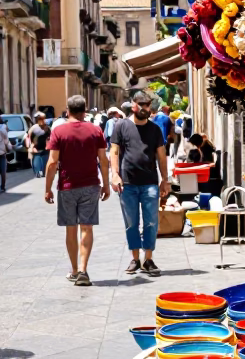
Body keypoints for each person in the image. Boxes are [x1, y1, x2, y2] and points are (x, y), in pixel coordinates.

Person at [45, 94, 110, 287]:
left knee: (70, 228)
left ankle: (74, 270)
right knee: (87, 227)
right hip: (90, 185)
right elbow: (103, 160)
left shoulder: (59, 131)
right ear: (85, 110)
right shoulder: (95, 130)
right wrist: (106, 184)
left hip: (67, 186)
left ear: (67, 111)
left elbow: (52, 162)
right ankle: (83, 269)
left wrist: (47, 188)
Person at [109, 89, 169, 276]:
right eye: (141, 104)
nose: (144, 108)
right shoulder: (121, 126)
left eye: (147, 105)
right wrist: (115, 175)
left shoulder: (155, 129)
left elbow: (161, 156)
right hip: (128, 184)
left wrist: (165, 180)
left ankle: (148, 259)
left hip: (150, 182)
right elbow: (114, 151)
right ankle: (135, 259)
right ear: (133, 105)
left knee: (151, 222)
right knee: (131, 223)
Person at [26, 111, 50, 177]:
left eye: (43, 119)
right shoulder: (33, 128)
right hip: (36, 151)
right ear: (37, 120)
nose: (42, 120)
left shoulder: (47, 128)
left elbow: (50, 138)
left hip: (45, 150)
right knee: (38, 168)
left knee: (45, 167)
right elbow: (28, 138)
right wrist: (30, 147)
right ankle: (38, 172)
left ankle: (43, 172)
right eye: (40, 119)